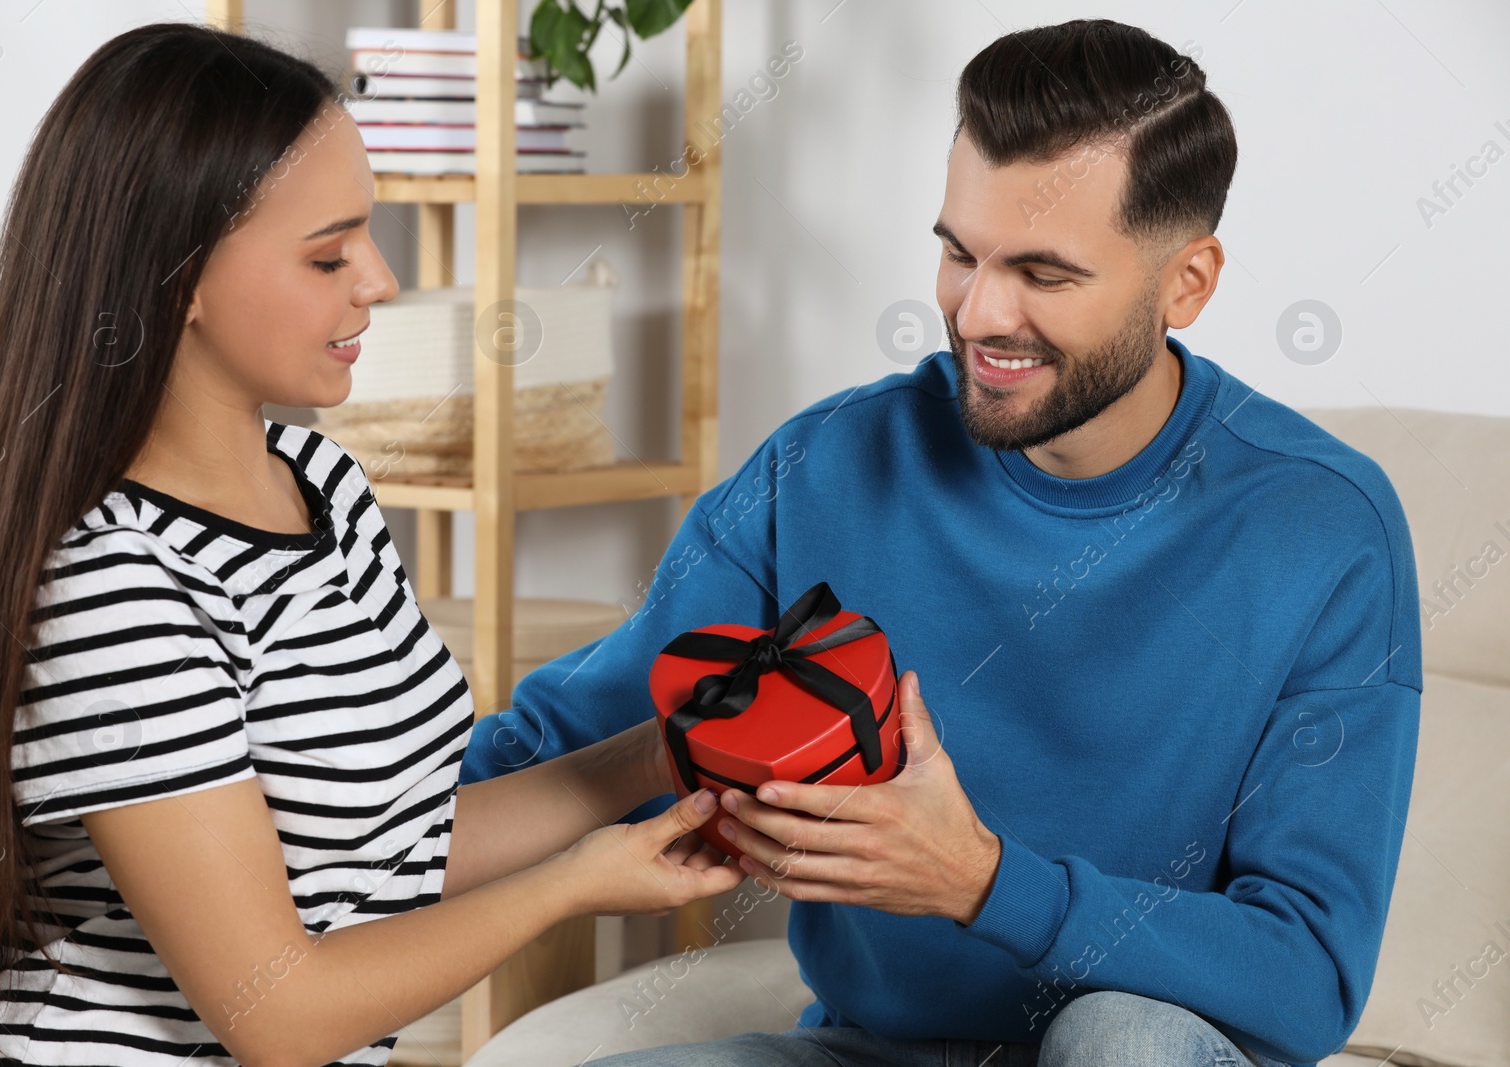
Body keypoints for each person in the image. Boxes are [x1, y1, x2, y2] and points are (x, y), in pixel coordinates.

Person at [460, 18, 1422, 1067]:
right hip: (867, 1048)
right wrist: (293, 802)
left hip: (1137, 1048)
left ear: (1184, 283)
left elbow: (1309, 972)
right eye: (959, 253)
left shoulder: (1320, 527)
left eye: (1045, 275)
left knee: (1120, 1037)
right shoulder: (827, 466)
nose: (979, 312)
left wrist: (981, 880)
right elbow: (572, 741)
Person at [0, 23, 744, 1067]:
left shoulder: (326, 486)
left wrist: (663, 755)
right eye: (328, 254)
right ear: (181, 281)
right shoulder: (114, 584)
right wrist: (577, 880)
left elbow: (390, 849)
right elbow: (279, 1013)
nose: (380, 281)